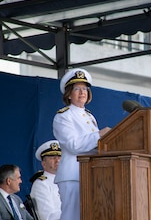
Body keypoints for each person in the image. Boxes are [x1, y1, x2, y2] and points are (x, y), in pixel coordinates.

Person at [52, 68, 111, 220]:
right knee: (72, 217)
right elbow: (73, 145)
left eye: (85, 89)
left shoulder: (89, 116)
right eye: (77, 89)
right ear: (69, 94)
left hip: (91, 172)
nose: (82, 92)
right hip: (72, 174)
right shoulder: (63, 116)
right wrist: (99, 135)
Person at [30, 140, 62, 220]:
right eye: (52, 158)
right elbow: (48, 217)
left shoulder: (65, 182)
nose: (57, 160)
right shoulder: (41, 184)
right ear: (43, 164)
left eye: (59, 157)